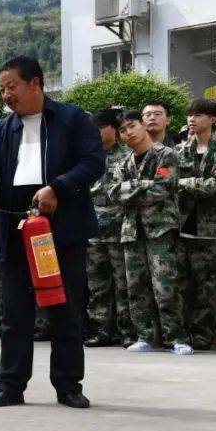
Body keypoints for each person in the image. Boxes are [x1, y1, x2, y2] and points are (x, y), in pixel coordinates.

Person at [0, 56, 103, 409]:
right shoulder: (2, 129)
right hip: (15, 226)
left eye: (12, 87)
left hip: (60, 225)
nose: (6, 95)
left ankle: (68, 385)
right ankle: (11, 385)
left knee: (65, 307)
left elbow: (92, 163)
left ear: (35, 83)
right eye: (2, 89)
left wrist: (59, 187)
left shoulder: (73, 119)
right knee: (15, 311)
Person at [109, 111, 193, 355]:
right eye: (123, 130)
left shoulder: (165, 155)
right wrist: (144, 185)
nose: (128, 133)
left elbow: (164, 188)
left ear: (143, 126)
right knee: (136, 287)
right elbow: (114, 193)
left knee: (165, 285)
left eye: (132, 126)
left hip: (160, 230)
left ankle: (176, 337)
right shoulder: (122, 163)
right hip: (131, 231)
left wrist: (132, 189)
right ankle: (146, 336)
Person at [84, 109, 132, 348]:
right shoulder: (87, 157)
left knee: (123, 282)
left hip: (119, 226)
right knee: (97, 283)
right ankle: (101, 329)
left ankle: (127, 330)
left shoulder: (126, 155)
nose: (97, 132)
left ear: (114, 129)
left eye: (102, 127)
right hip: (93, 229)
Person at [176, 99, 216, 350]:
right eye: (190, 115)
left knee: (207, 285)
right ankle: (182, 334)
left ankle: (202, 336)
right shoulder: (180, 151)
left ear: (213, 119)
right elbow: (165, 180)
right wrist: (192, 184)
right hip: (181, 227)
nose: (192, 119)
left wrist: (184, 184)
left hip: (210, 230)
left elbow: (214, 188)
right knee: (181, 283)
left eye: (199, 115)